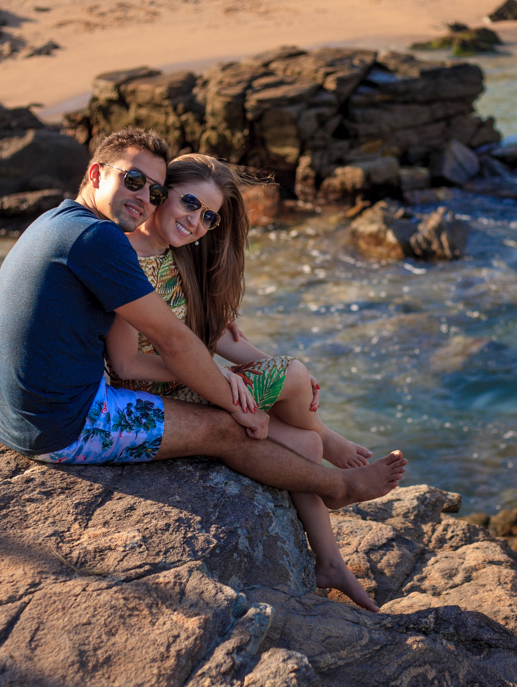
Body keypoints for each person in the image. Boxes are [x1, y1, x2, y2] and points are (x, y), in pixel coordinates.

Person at [0, 127, 407, 570]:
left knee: (294, 436)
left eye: (154, 189)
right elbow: (169, 343)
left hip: (5, 407)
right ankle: (338, 489)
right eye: (133, 181)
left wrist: (227, 374)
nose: (143, 196)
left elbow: (189, 334)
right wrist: (231, 397)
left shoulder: (62, 220)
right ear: (96, 174)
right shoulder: (102, 240)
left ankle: (328, 547)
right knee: (230, 431)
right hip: (59, 424)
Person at [104, 153, 379, 609]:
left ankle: (330, 562)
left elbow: (218, 340)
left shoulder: (180, 260)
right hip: (155, 394)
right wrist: (220, 376)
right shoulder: (124, 257)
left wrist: (288, 376)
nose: (196, 222)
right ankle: (328, 438)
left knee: (303, 438)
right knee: (292, 379)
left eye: (208, 217)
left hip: (192, 381)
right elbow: (127, 364)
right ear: (162, 191)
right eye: (190, 204)